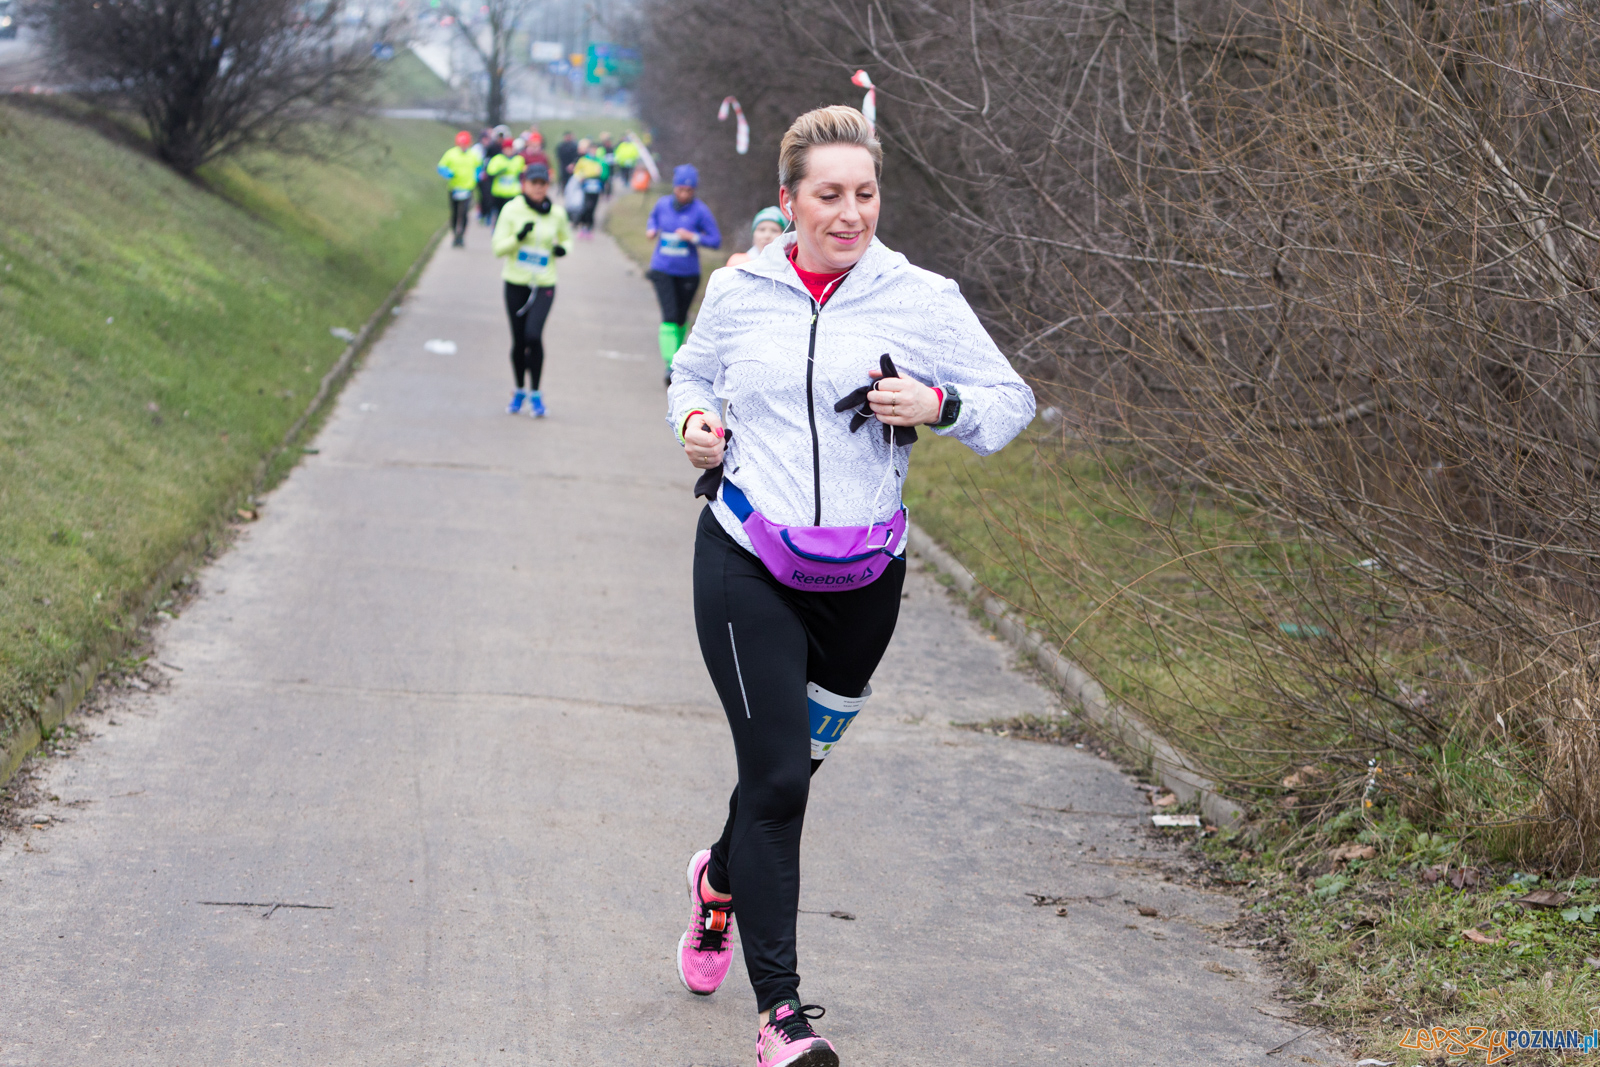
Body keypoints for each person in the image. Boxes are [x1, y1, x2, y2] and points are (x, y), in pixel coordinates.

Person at [665, 105, 1034, 1067]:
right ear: (788, 203)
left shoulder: (920, 296)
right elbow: (690, 374)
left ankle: (718, 880)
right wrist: (697, 422)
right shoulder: (738, 288)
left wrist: (939, 404)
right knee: (782, 780)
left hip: (865, 576)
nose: (850, 213)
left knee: (782, 777)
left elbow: (1010, 402)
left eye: (864, 194)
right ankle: (780, 1017)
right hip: (746, 551)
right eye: (828, 195)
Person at [491, 163, 572, 418]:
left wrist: (563, 250)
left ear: (548, 186)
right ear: (524, 184)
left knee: (534, 336)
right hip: (516, 283)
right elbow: (498, 248)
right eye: (534, 183)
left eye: (543, 183)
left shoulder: (556, 213)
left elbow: (567, 239)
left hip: (545, 284)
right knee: (518, 340)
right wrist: (518, 237)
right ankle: (518, 391)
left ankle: (536, 393)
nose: (538, 188)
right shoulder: (511, 210)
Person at [646, 164, 721, 383]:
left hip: (688, 273)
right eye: (680, 189)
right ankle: (670, 363)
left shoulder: (700, 211)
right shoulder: (662, 205)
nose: (684, 194)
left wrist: (693, 237)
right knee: (669, 316)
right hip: (662, 269)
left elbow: (715, 240)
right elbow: (653, 219)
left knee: (680, 318)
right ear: (674, 188)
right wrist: (651, 229)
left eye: (689, 191)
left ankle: (676, 358)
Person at [437, 131, 480, 247]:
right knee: (455, 213)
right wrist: (447, 173)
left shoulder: (473, 155)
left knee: (464, 213)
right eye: (461, 144)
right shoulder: (451, 154)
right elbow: (441, 167)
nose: (463, 146)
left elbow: (479, 167)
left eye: (465, 144)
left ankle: (461, 236)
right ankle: (455, 234)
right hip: (454, 188)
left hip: (467, 188)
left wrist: (477, 176)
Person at [485, 139, 526, 227]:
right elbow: (490, 172)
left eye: (510, 148)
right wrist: (500, 170)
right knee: (499, 216)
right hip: (499, 193)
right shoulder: (497, 159)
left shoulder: (519, 159)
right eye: (506, 148)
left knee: (512, 216)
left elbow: (522, 173)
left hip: (513, 193)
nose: (508, 151)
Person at [572, 141, 607, 237]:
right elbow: (577, 171)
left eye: (595, 149)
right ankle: (582, 224)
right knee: (586, 205)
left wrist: (601, 173)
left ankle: (590, 225)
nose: (593, 151)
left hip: (596, 185)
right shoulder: (583, 160)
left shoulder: (600, 161)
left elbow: (605, 175)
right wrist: (580, 177)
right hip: (586, 185)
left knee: (593, 206)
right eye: (592, 149)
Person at [474, 129, 497, 225]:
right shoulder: (477, 149)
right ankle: (482, 213)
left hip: (489, 176)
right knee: (482, 197)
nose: (485, 141)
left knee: (489, 196)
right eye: (484, 139)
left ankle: (488, 214)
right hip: (480, 176)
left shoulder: (492, 148)